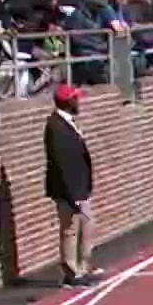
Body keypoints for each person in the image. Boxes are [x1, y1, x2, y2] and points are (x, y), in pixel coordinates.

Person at [43, 84, 97, 287]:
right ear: (66, 102)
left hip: (79, 187)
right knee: (70, 229)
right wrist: (72, 193)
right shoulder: (56, 126)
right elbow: (61, 162)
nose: (79, 102)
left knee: (87, 225)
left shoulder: (68, 123)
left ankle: (83, 266)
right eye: (75, 99)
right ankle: (71, 272)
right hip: (69, 189)